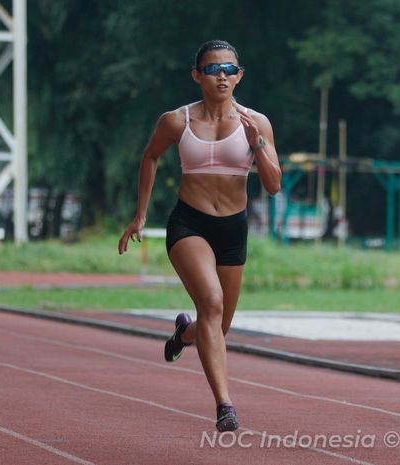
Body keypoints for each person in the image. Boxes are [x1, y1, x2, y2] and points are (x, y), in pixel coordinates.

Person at [118, 40, 282, 432]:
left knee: (218, 326)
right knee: (211, 301)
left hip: (232, 227)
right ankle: (225, 406)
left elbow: (274, 185)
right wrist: (140, 214)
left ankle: (184, 333)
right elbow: (151, 156)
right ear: (197, 76)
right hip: (189, 224)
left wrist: (257, 144)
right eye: (212, 69)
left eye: (229, 69)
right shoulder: (177, 121)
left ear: (239, 75)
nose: (221, 75)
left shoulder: (256, 122)